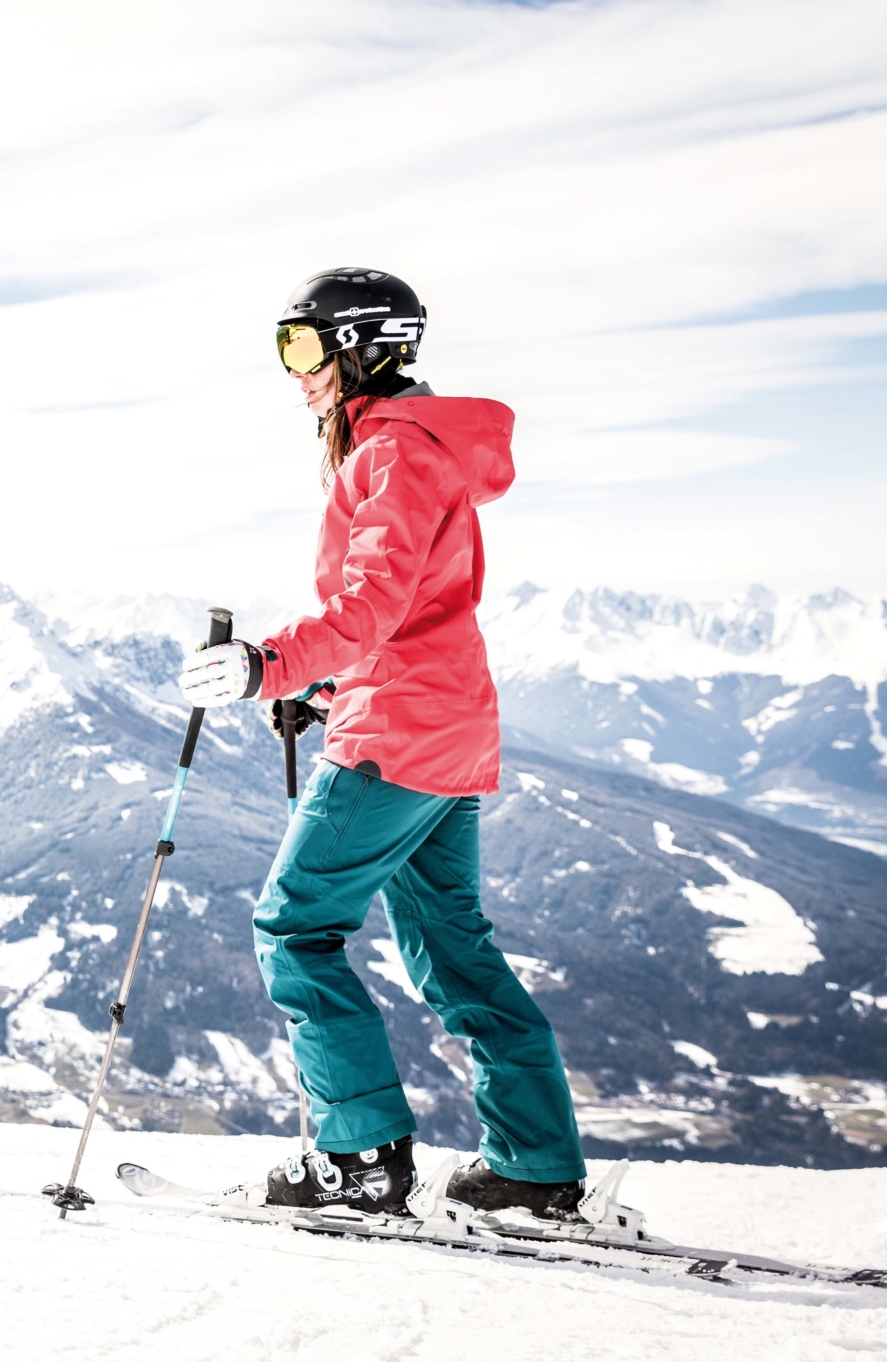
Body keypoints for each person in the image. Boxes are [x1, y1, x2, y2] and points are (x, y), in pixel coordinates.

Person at [178, 267, 587, 1222]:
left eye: (307, 346)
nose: (296, 370)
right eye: (286, 347)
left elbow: (366, 607)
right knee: (454, 950)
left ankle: (358, 1158)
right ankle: (534, 1160)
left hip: (396, 740)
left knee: (294, 929)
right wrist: (322, 686)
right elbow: (413, 616)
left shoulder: (395, 453)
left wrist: (266, 664)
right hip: (445, 729)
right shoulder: (416, 446)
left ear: (367, 344)